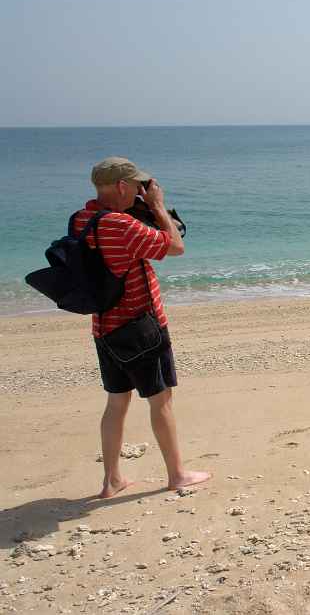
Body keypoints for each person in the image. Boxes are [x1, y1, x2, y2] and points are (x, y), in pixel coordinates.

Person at [73, 157, 210, 498]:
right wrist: (158, 207)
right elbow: (175, 245)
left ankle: (111, 480)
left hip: (104, 327)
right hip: (142, 327)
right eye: (135, 186)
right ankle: (177, 474)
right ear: (122, 187)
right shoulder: (122, 226)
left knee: (116, 402)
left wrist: (139, 209)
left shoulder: (82, 220)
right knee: (161, 400)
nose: (139, 191)